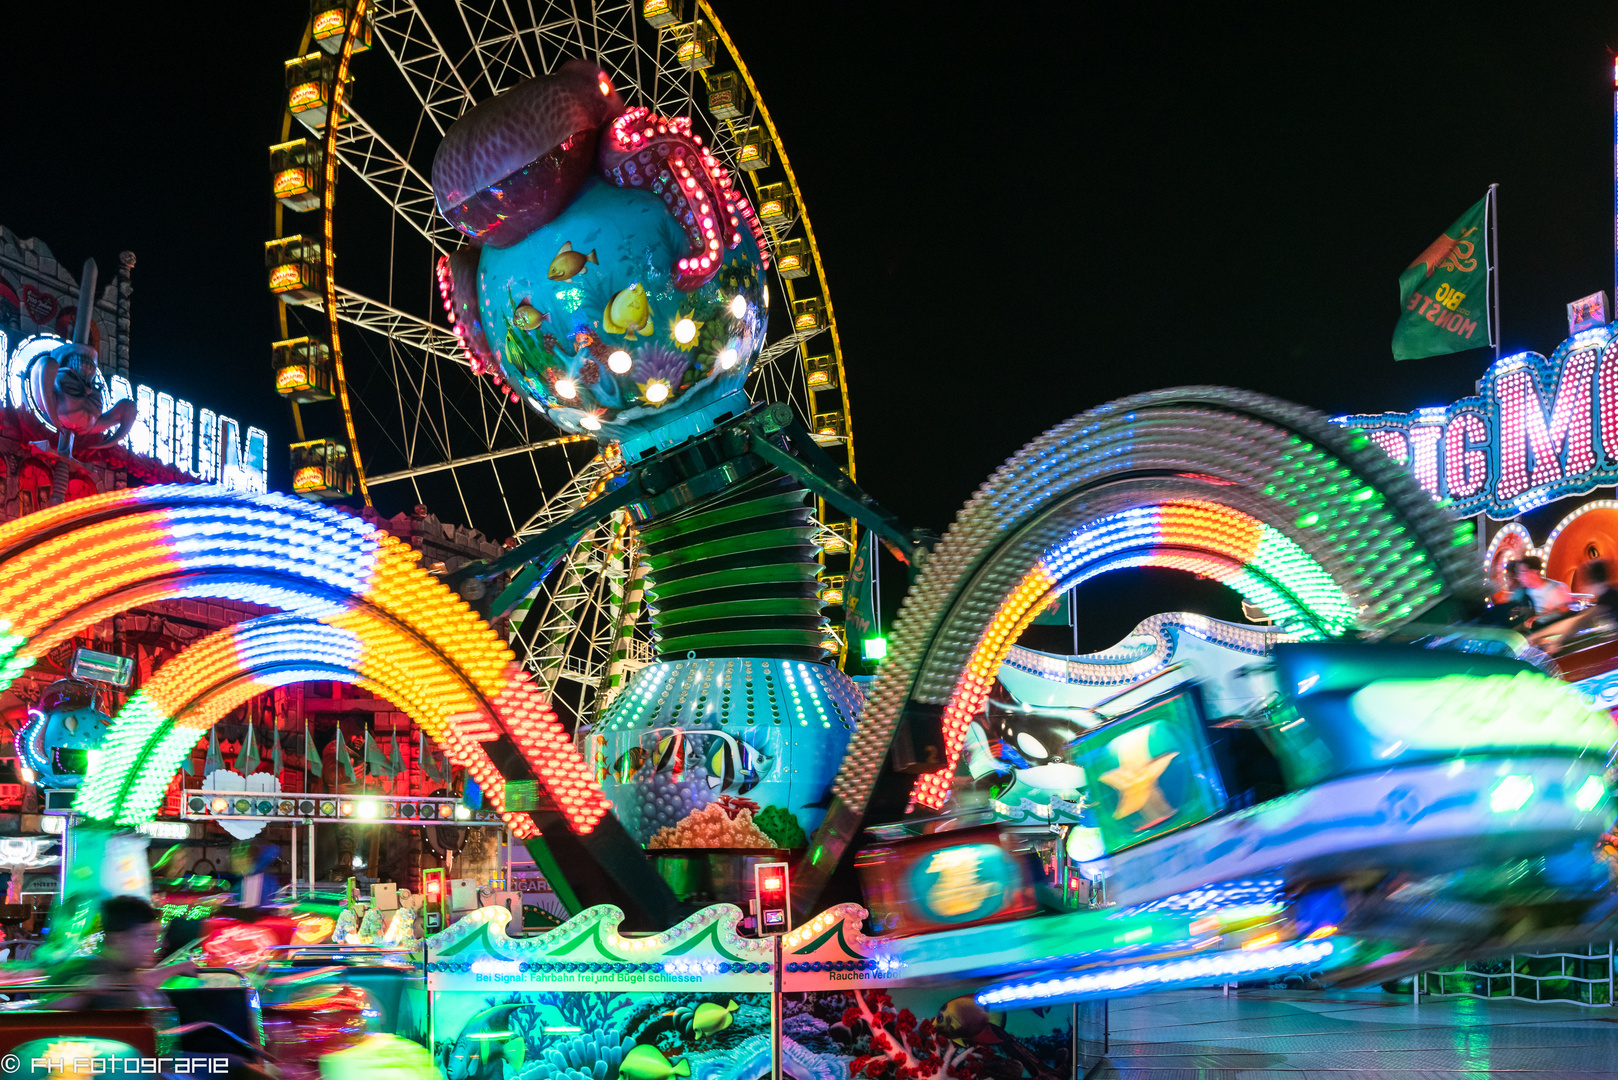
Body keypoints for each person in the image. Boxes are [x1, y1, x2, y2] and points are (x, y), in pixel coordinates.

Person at [50, 895, 198, 1009]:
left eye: (157, 936)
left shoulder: (128, 971)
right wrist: (80, 993)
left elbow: (141, 979)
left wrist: (177, 968)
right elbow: (35, 1015)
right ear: (118, 939)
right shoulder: (79, 969)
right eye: (147, 935)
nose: (158, 944)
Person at [1528, 558, 1618, 655]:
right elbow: (1574, 621)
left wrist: (1558, 642)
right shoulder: (1609, 596)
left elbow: (1581, 621)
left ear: (1591, 581)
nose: (1583, 587)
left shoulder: (1608, 599)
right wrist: (1536, 636)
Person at [1510, 557, 1573, 627]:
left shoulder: (1557, 588)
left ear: (1534, 572)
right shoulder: (1525, 591)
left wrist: (1537, 617)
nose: (1519, 577)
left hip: (1553, 627)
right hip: (1533, 628)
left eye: (1522, 572)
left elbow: (1565, 610)